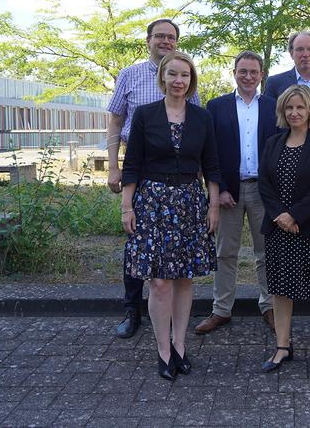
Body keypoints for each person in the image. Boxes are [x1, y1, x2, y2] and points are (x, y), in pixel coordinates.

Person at [120, 51, 220, 381]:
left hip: (190, 203)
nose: (179, 81)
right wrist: (127, 205)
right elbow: (131, 164)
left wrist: (214, 204)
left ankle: (180, 345)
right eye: (173, 74)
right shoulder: (146, 115)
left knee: (184, 278)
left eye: (185, 76)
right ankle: (162, 350)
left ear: (192, 81)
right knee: (159, 281)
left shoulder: (202, 117)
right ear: (162, 77)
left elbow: (212, 165)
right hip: (152, 204)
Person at [106, 19, 201, 340]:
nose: (165, 41)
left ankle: (170, 315)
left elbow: (196, 131)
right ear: (148, 40)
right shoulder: (130, 75)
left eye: (171, 37)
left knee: (174, 249)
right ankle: (132, 310)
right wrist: (113, 167)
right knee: (139, 244)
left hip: (176, 176)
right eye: (159, 36)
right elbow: (116, 119)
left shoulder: (186, 78)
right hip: (140, 168)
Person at [196, 51, 277, 335]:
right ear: (234, 72)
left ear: (261, 75)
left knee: (266, 252)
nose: (248, 76)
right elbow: (210, 153)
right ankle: (221, 310)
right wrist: (218, 189)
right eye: (243, 71)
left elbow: (278, 150)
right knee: (225, 253)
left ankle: (269, 307)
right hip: (228, 192)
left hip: (263, 191)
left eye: (254, 72)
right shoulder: (216, 107)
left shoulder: (272, 106)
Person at [258, 85, 310, 376]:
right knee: (280, 289)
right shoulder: (273, 143)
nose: (294, 113)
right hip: (279, 229)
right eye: (289, 107)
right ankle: (282, 346)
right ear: (282, 110)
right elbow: (264, 183)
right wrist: (280, 215)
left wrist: (294, 215)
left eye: (300, 107)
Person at [263, 31, 310, 102]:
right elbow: (268, 114)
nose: (306, 54)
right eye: (300, 49)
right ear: (291, 53)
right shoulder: (275, 83)